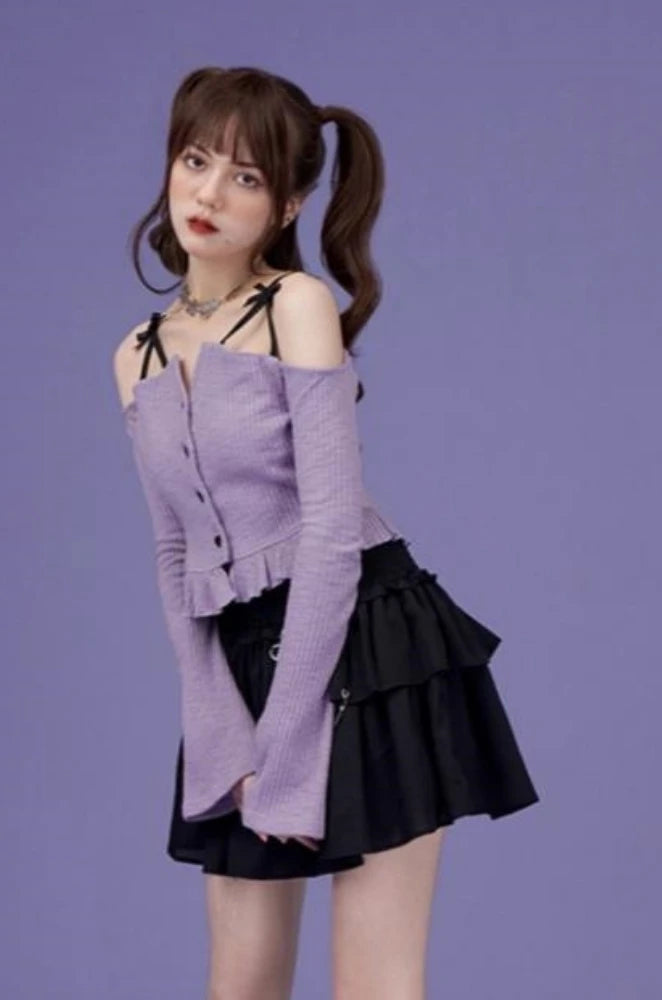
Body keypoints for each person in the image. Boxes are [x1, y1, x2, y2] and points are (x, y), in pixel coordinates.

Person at [113, 65, 539, 1000]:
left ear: (290, 204)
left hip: (369, 649)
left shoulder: (295, 307)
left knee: (373, 984)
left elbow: (333, 530)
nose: (209, 194)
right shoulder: (134, 356)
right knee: (241, 984)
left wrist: (290, 734)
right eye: (196, 161)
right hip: (241, 658)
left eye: (247, 176)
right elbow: (174, 552)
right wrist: (218, 723)